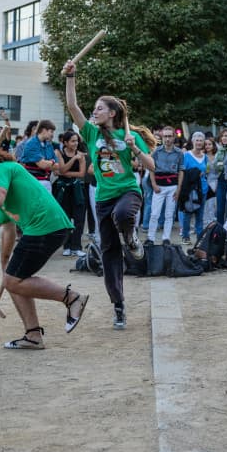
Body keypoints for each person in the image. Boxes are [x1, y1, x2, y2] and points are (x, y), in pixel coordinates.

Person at [63, 59, 156, 330]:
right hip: (103, 197)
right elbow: (72, 107)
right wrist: (71, 77)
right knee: (109, 254)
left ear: (113, 112)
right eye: (94, 109)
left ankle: (131, 237)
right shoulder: (91, 134)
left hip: (127, 191)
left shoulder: (130, 136)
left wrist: (135, 149)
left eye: (100, 108)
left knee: (124, 214)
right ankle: (118, 306)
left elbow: (152, 166)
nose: (94, 112)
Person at [0, 147, 90, 347]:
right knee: (12, 279)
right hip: (47, 227)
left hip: (45, 227)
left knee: (13, 281)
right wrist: (5, 263)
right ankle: (33, 335)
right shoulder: (1, 176)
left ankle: (72, 298)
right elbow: (8, 229)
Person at [146, 125, 184, 246]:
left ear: (174, 137)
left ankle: (166, 237)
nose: (167, 139)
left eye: (169, 136)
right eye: (165, 136)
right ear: (162, 137)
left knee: (169, 214)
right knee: (154, 213)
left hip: (172, 185)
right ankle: (150, 237)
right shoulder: (156, 151)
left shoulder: (179, 153)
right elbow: (151, 168)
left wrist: (178, 188)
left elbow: (181, 171)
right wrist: (153, 184)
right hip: (159, 185)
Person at [53, 129, 87, 256]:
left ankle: (76, 246)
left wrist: (64, 173)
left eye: (77, 141)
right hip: (62, 189)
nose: (75, 143)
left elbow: (81, 173)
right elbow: (61, 169)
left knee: (79, 218)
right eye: (72, 141)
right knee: (65, 217)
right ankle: (66, 245)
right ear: (65, 142)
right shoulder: (59, 153)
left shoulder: (81, 155)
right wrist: (73, 160)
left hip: (77, 188)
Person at [178, 132, 208, 245]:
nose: (199, 142)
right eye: (197, 140)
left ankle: (200, 238)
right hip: (190, 190)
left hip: (202, 190)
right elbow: (182, 172)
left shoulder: (205, 157)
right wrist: (195, 174)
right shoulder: (186, 156)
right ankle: (185, 236)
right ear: (192, 141)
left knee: (200, 215)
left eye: (201, 140)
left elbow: (206, 172)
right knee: (188, 213)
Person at [18, 119, 58, 192]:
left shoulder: (49, 144)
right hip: (33, 182)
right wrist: (52, 161)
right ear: (43, 130)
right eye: (51, 131)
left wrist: (49, 163)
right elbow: (42, 165)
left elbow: (57, 166)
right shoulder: (31, 143)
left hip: (47, 182)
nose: (52, 135)